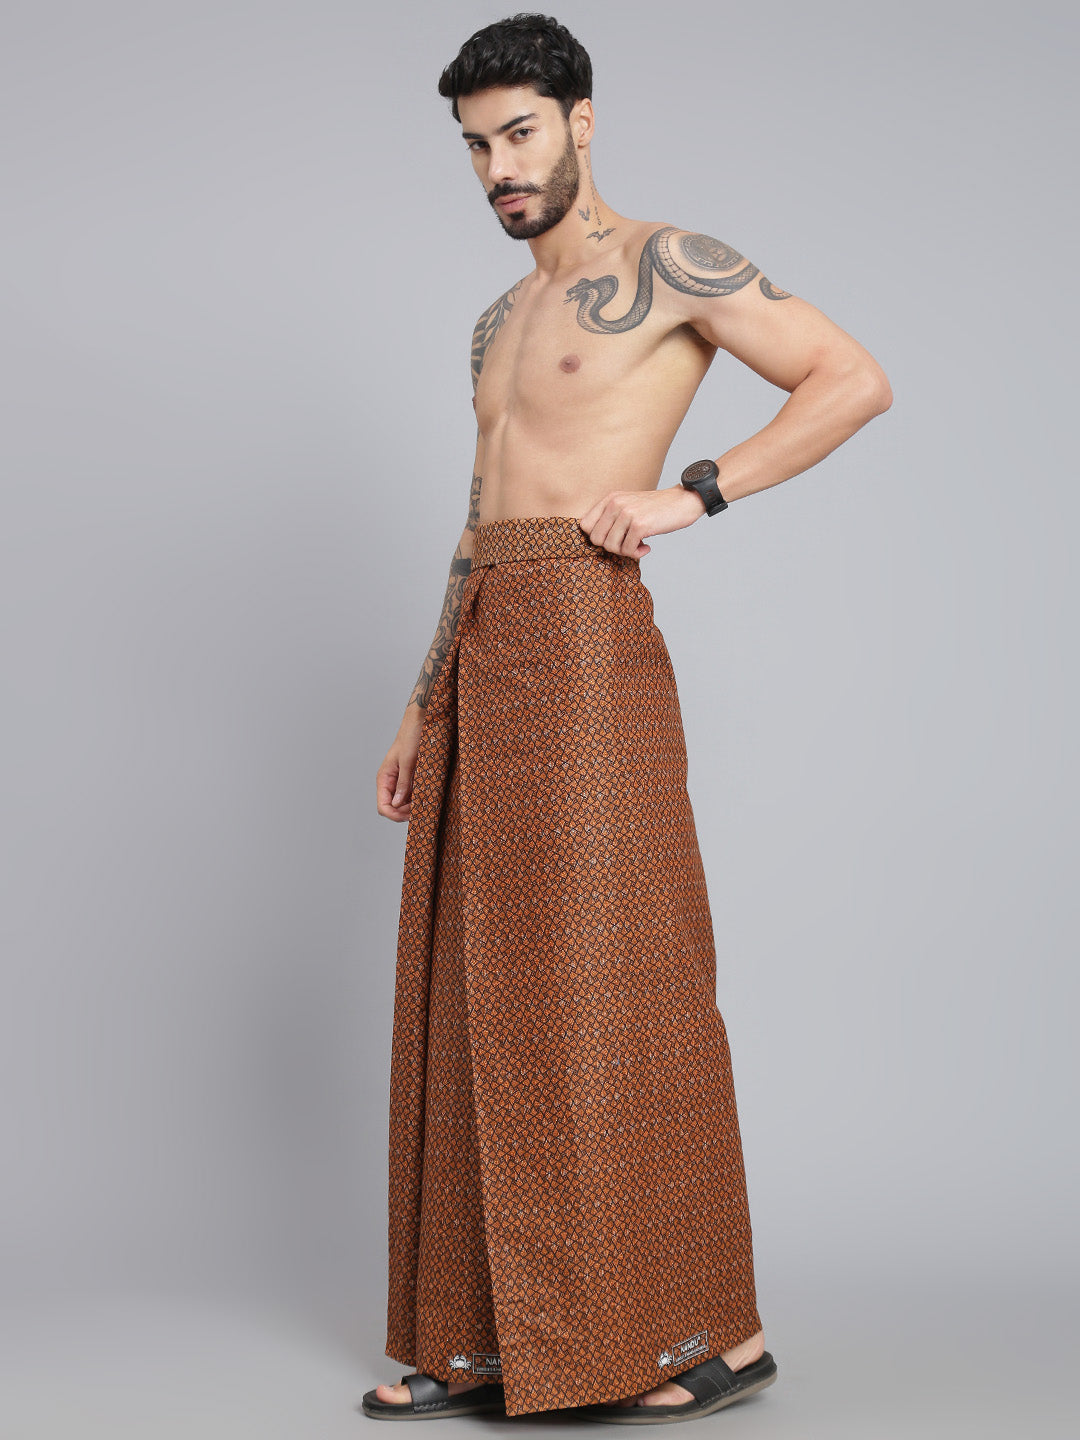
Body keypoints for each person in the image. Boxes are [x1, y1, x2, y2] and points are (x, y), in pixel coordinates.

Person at [365, 12, 891, 1425]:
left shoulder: (671, 263)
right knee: (473, 986)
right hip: (487, 635)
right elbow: (478, 517)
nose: (499, 167)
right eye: (476, 145)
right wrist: (421, 700)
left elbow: (852, 378)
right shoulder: (498, 319)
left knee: (614, 976)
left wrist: (695, 492)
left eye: (520, 133)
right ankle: (483, 1338)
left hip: (586, 632)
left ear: (581, 123)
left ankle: (705, 1336)